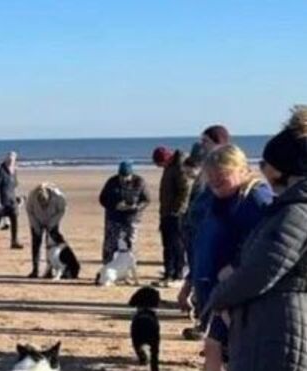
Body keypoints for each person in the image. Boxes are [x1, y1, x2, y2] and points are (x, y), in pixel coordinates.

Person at [205, 106, 307, 371]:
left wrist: (220, 294)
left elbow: (263, 269)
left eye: (266, 163)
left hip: (284, 320)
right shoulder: (291, 206)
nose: (262, 170)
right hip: (275, 317)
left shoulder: (296, 211)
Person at [175, 145, 273, 371]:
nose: (217, 184)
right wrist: (191, 281)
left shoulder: (256, 199)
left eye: (223, 178)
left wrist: (235, 269)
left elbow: (270, 245)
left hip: (244, 291)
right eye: (211, 179)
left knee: (254, 356)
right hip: (213, 290)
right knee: (215, 348)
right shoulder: (211, 200)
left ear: (243, 171)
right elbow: (201, 243)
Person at [179, 126, 233, 339]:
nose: (201, 146)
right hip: (198, 238)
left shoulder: (222, 173)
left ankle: (212, 332)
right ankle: (206, 327)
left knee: (212, 287)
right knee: (202, 283)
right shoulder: (205, 171)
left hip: (211, 239)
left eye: (204, 141)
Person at [98, 161, 150, 265]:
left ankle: (128, 270)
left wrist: (135, 207)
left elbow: (146, 200)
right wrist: (114, 206)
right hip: (113, 218)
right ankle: (107, 266)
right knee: (110, 245)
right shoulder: (112, 182)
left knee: (130, 244)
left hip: (131, 219)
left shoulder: (140, 182)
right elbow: (102, 199)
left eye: (126, 176)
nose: (123, 179)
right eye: (121, 176)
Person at [152, 146, 191, 287]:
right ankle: (169, 273)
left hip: (176, 214)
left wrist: (178, 210)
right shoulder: (169, 168)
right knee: (167, 244)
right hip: (166, 212)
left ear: (166, 159)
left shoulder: (179, 167)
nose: (159, 167)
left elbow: (185, 190)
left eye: (160, 164)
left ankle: (178, 274)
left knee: (177, 245)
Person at [24, 182, 67, 277]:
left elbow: (62, 210)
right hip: (37, 220)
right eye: (41, 203)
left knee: (51, 246)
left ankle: (49, 270)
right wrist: (35, 226)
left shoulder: (58, 196)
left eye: (45, 203)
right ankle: (35, 270)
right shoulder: (32, 196)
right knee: (36, 244)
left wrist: (52, 223)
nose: (43, 205)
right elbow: (29, 211)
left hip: (52, 220)